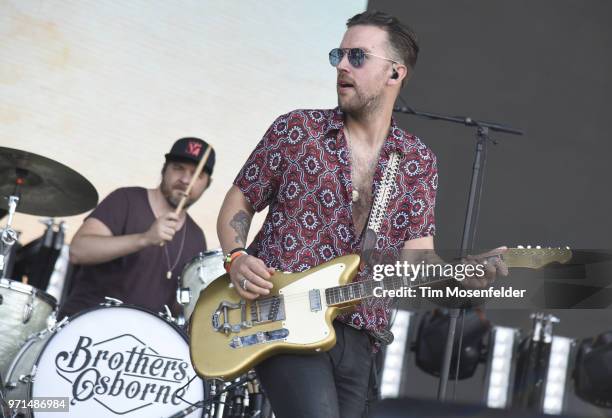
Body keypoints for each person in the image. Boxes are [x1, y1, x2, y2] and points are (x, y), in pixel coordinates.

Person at [217, 11, 507, 418]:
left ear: (395, 74)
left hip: (360, 335)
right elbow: (240, 200)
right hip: (281, 317)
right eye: (339, 54)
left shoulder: (417, 161)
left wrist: (461, 274)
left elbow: (416, 258)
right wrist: (236, 256)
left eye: (357, 56)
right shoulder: (297, 130)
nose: (341, 65)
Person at [60, 137, 215, 319]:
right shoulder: (125, 199)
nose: (186, 180)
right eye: (178, 168)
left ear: (207, 184)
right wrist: (144, 238)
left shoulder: (196, 238)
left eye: (197, 174)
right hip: (87, 327)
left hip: (143, 342)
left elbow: (184, 306)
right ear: (164, 169)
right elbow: (78, 251)